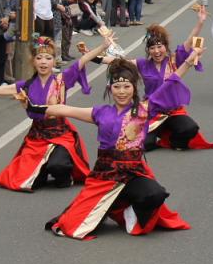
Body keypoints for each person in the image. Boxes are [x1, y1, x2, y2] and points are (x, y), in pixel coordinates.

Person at [42, 57, 198, 239]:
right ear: (110, 89)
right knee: (73, 224)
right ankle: (106, 208)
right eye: (117, 87)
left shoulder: (144, 109)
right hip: (105, 175)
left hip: (133, 172)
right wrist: (35, 106)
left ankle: (124, 211)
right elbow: (65, 110)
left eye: (126, 87)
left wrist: (187, 63)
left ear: (134, 88)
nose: (122, 92)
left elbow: (170, 83)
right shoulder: (100, 112)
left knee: (156, 194)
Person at [0, 34, 111, 191]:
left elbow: (83, 60)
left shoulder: (62, 80)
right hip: (37, 137)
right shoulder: (26, 85)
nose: (43, 62)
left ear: (53, 61)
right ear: (33, 61)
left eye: (47, 58)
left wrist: (103, 46)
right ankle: (43, 168)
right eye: (39, 58)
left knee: (59, 168)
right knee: (30, 181)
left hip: (61, 134)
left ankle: (64, 174)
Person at [99, 7, 213, 151]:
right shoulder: (143, 64)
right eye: (152, 48)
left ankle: (173, 141)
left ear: (165, 47)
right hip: (151, 112)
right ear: (148, 50)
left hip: (173, 111)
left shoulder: (175, 60)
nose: (156, 51)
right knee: (145, 145)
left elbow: (190, 40)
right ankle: (156, 133)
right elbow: (117, 60)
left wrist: (200, 22)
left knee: (190, 129)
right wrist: (92, 55)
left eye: (159, 47)